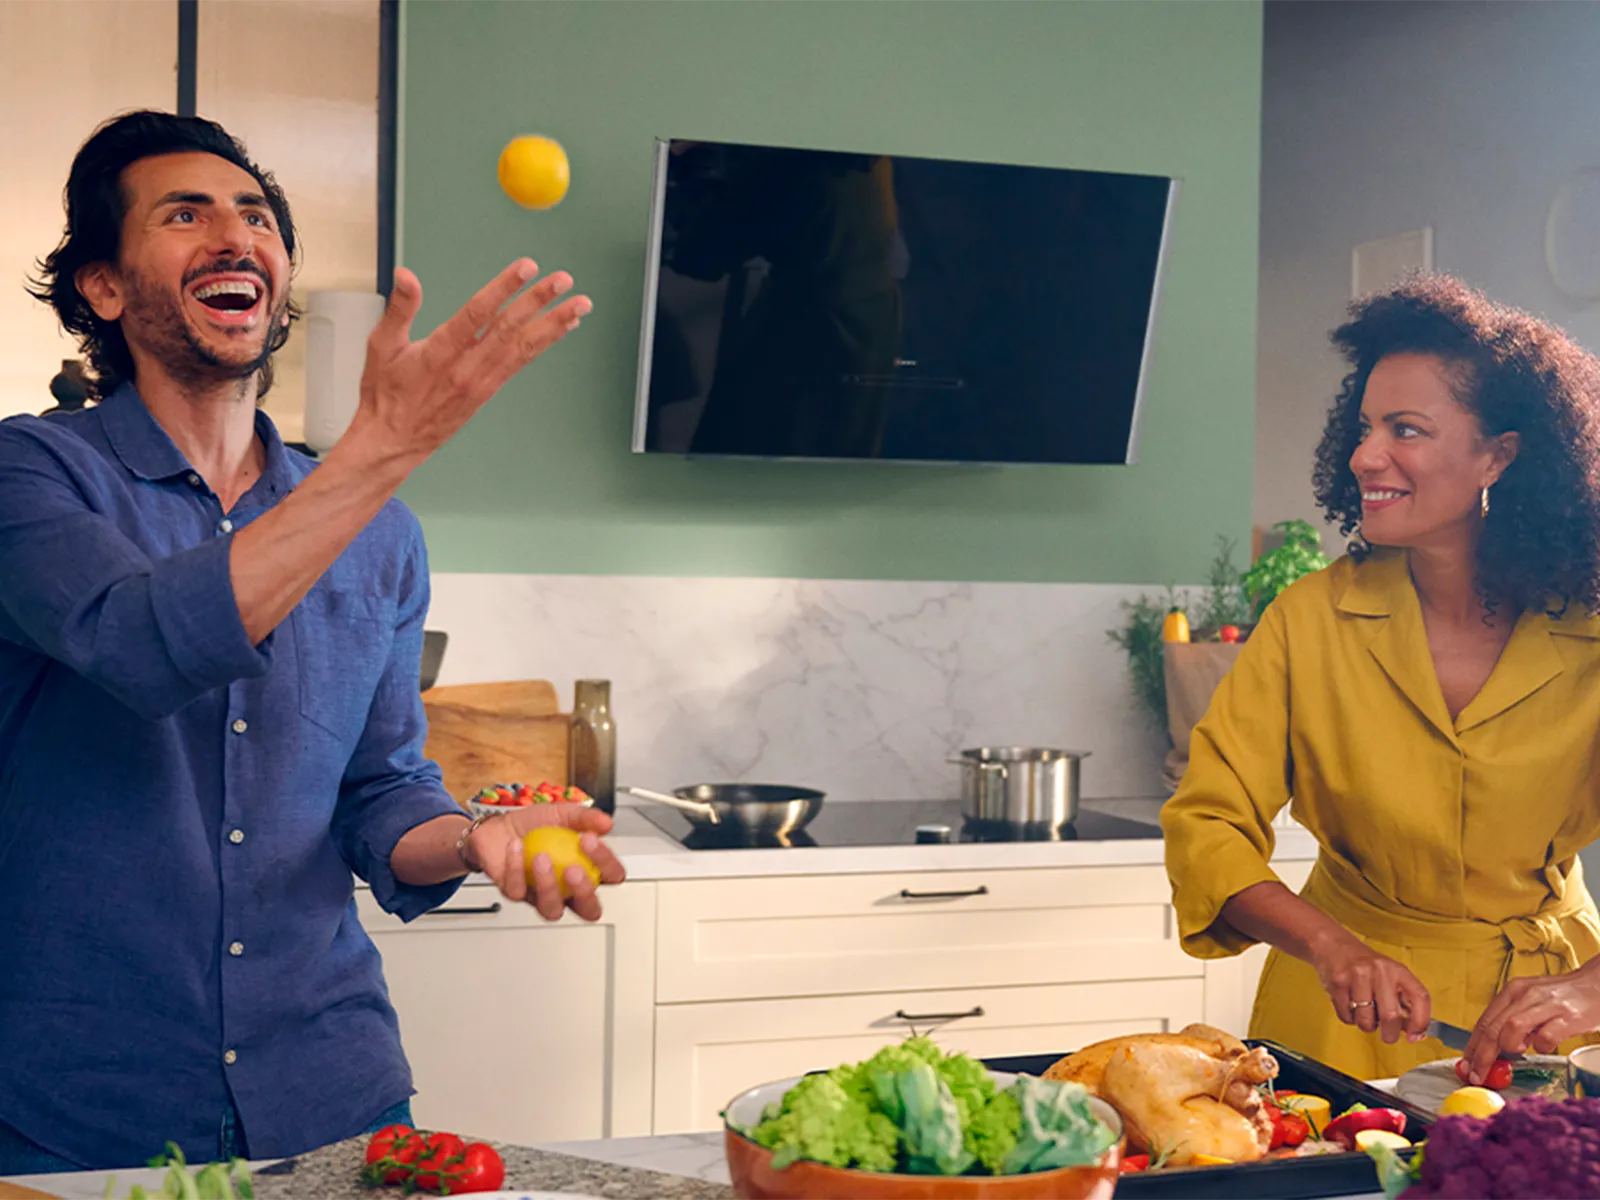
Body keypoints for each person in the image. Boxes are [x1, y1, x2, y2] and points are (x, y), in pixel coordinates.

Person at [0, 110, 622, 1174]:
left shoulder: (380, 533)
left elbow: (382, 786)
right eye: (184, 214)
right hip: (82, 1103)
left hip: (334, 1090)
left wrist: (471, 837)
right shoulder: (34, 478)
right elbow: (141, 643)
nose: (235, 236)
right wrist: (377, 456)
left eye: (256, 217)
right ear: (102, 288)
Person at [1162, 274, 1600, 1082]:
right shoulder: (1309, 620)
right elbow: (1208, 826)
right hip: (1337, 1024)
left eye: (1406, 429)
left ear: (1499, 455)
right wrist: (1329, 946)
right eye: (1364, 427)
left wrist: (1590, 989)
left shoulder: (1593, 632)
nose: (1366, 455)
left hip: (1550, 1027)